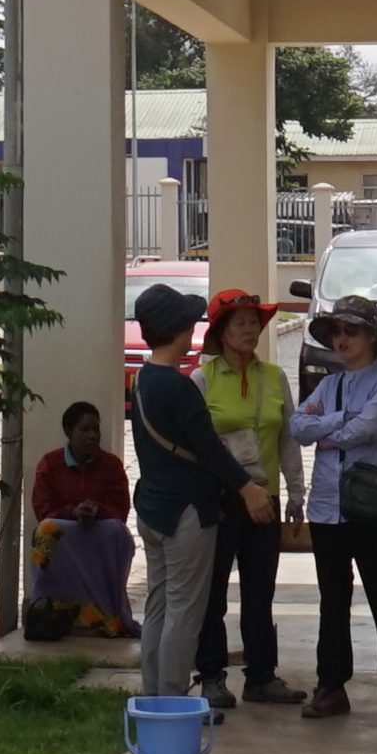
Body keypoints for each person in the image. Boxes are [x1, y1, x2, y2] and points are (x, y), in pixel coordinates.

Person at [125, 282, 270, 704]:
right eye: (189, 323)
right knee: (184, 611)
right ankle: (172, 700)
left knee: (158, 606)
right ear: (177, 330)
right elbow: (209, 450)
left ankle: (152, 695)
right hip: (186, 512)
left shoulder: (142, 380)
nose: (194, 329)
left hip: (153, 507)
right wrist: (249, 489)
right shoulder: (179, 386)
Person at [286, 293, 377, 723]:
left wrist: (327, 429)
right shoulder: (328, 385)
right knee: (332, 600)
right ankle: (331, 685)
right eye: (336, 332)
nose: (342, 340)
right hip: (327, 508)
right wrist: (339, 421)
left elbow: (369, 427)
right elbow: (297, 426)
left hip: (374, 506)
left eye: (352, 331)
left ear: (372, 337)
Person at [189, 289, 304, 707]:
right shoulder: (201, 380)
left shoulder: (274, 377)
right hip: (220, 501)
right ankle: (211, 677)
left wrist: (296, 492)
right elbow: (195, 447)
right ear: (221, 332)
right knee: (213, 594)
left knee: (260, 593)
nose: (249, 330)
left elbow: (288, 438)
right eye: (239, 323)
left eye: (254, 322)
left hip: (265, 501)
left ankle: (261, 677)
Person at [23, 400, 136, 640]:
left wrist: (98, 511)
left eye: (96, 430)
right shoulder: (50, 464)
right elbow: (43, 509)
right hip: (65, 534)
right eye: (85, 430)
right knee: (46, 530)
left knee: (116, 531)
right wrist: (72, 513)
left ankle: (107, 613)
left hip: (99, 531)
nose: (93, 436)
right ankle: (49, 608)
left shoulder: (111, 465)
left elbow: (121, 510)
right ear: (69, 432)